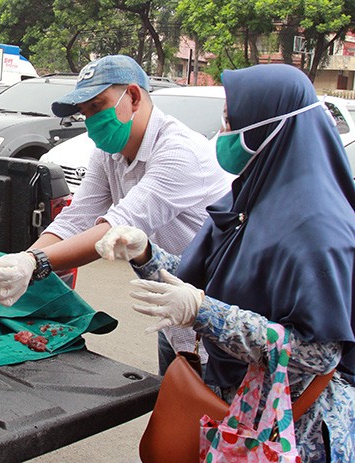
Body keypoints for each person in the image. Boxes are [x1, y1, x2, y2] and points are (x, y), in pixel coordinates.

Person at [95, 64, 354, 461]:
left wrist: (205, 313)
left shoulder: (318, 230)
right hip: (236, 410)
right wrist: (145, 252)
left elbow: (318, 354)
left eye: (233, 122)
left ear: (270, 128)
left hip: (290, 427)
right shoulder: (252, 199)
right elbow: (211, 277)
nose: (224, 133)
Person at [0, 54, 230, 374]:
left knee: (214, 414)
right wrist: (22, 260)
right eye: (85, 113)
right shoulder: (109, 152)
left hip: (213, 316)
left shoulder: (180, 153)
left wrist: (35, 264)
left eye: (97, 107)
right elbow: (77, 217)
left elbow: (118, 226)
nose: (91, 120)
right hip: (173, 318)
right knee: (176, 408)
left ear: (134, 97)